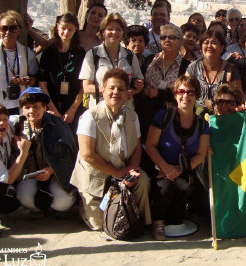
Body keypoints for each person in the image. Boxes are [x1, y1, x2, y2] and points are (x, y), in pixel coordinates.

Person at [70, 69, 151, 231]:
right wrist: (116, 172)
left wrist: (131, 172)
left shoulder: (132, 116)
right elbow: (87, 154)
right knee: (101, 225)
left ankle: (141, 219)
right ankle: (84, 205)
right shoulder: (90, 116)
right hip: (97, 176)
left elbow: (136, 148)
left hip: (122, 170)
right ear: (103, 89)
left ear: (127, 93)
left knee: (142, 180)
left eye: (121, 89)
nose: (116, 92)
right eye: (111, 88)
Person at [145, 76, 209, 240]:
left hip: (184, 171)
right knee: (165, 188)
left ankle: (172, 218)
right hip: (160, 170)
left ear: (197, 96)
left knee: (184, 191)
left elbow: (201, 154)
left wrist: (178, 170)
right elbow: (150, 145)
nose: (185, 96)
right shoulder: (163, 116)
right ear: (175, 94)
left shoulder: (202, 124)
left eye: (190, 92)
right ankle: (157, 220)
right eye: (181, 91)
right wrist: (166, 169)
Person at [13, 87, 78, 217]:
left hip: (57, 175)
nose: (31, 111)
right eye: (27, 107)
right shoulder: (18, 126)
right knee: (23, 194)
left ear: (44, 108)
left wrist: (50, 170)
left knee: (61, 202)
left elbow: (71, 157)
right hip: (33, 174)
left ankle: (61, 208)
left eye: (36, 107)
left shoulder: (59, 127)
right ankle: (38, 209)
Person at [0, 102, 31, 237]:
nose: (2, 124)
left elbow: (20, 118)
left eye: (4, 120)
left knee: (12, 204)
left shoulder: (7, 128)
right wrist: (23, 153)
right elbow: (8, 179)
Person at [79, 13, 144, 109]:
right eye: (110, 29)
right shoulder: (92, 55)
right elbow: (86, 87)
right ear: (102, 32)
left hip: (125, 110)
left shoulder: (130, 56)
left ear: (123, 33)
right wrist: (111, 92)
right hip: (99, 110)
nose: (114, 32)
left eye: (118, 29)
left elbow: (138, 85)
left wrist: (134, 89)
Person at [140, 24, 191, 142]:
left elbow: (186, 93)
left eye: (172, 37)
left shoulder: (186, 66)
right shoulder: (149, 60)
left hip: (172, 118)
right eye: (163, 37)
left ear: (180, 42)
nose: (167, 40)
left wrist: (160, 93)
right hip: (148, 116)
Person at [0, 10, 37, 115]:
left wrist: (26, 81)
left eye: (13, 28)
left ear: (19, 31)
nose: (8, 32)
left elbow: (34, 79)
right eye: (4, 28)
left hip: (20, 106)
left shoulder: (27, 53)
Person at [38, 13, 86, 133]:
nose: (66, 33)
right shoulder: (49, 53)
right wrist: (53, 109)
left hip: (74, 108)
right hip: (51, 107)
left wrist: (73, 109)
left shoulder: (80, 53)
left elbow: (83, 85)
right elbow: (42, 84)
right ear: (57, 27)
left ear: (75, 29)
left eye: (70, 29)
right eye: (63, 28)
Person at [185, 30, 242, 114]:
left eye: (214, 43)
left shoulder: (230, 70)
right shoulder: (193, 67)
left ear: (222, 47)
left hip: (222, 117)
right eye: (206, 43)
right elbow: (184, 91)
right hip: (197, 116)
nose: (209, 46)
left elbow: (239, 99)